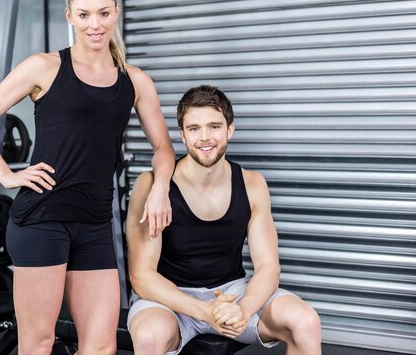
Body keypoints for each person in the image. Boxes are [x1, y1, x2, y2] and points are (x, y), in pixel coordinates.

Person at [0, 0, 174, 355]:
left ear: (116, 13)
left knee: (100, 347)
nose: (94, 24)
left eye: (103, 13)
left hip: (93, 223)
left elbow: (163, 148)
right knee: (39, 344)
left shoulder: (135, 81)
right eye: (84, 15)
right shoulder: (44, 67)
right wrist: (7, 175)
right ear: (68, 16)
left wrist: (160, 187)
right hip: (42, 219)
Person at [126, 85, 322, 355]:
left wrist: (243, 308)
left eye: (214, 126)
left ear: (230, 129)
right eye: (194, 129)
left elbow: (268, 266)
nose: (205, 137)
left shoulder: (253, 184)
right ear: (182, 136)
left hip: (233, 294)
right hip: (170, 299)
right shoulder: (152, 186)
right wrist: (204, 311)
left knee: (306, 322)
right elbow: (142, 277)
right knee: (150, 336)